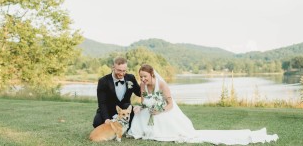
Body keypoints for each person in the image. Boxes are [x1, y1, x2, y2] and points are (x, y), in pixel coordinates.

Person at [127, 64, 279, 145]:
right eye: (141, 77)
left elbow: (170, 105)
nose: (142, 79)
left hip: (164, 111)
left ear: (152, 75)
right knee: (140, 115)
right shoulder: (142, 86)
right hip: (151, 112)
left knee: (169, 126)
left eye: (145, 76)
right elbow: (144, 102)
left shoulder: (163, 85)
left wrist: (159, 110)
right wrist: (142, 107)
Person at [92, 57, 141, 128]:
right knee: (97, 123)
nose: (121, 73)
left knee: (130, 110)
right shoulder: (103, 81)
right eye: (119, 70)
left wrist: (145, 85)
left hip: (124, 110)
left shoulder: (131, 78)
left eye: (124, 71)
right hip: (108, 110)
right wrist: (106, 119)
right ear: (113, 68)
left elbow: (139, 93)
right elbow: (102, 103)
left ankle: (128, 128)